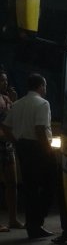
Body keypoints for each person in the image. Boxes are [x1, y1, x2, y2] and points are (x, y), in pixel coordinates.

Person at [1, 73, 56, 239]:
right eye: (44, 86)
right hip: (38, 148)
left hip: (23, 148)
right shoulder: (43, 104)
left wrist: (16, 142)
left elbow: (5, 126)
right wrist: (48, 152)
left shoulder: (17, 104)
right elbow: (40, 130)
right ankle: (36, 222)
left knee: (30, 187)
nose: (45, 89)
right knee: (50, 184)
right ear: (40, 86)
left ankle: (32, 225)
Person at [0, 70, 24, 231]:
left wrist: (13, 102)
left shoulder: (6, 97)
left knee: (12, 183)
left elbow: (11, 119)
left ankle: (13, 218)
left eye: (6, 80)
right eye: (2, 80)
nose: (5, 83)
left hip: (7, 144)